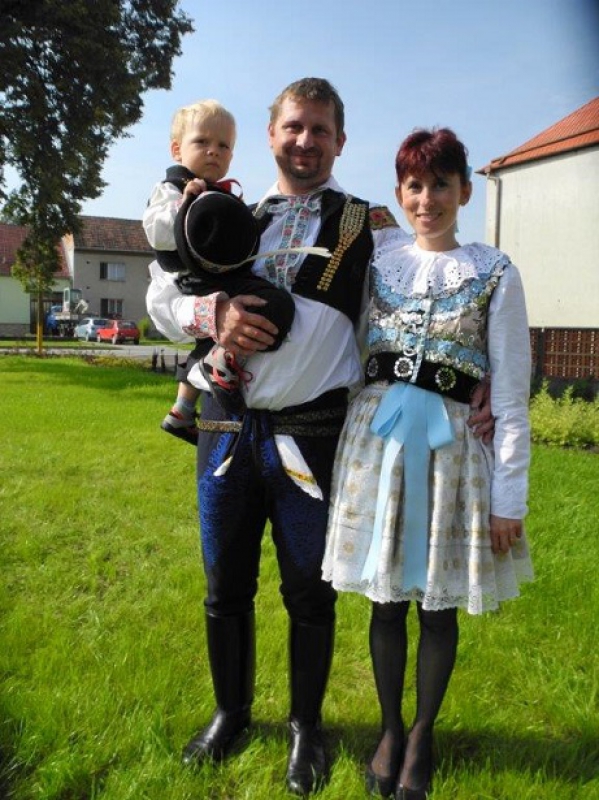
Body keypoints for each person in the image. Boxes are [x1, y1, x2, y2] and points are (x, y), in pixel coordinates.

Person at [146, 82, 494, 796]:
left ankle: (306, 728)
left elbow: (436, 279)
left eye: (320, 130)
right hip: (225, 427)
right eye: (293, 127)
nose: (305, 141)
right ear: (271, 135)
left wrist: (478, 367)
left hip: (312, 432)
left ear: (340, 141)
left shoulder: (370, 226)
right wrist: (211, 314)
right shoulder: (225, 212)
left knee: (309, 589)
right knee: (224, 584)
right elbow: (159, 293)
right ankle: (231, 713)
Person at [322, 127, 534, 799]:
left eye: (441, 184)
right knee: (384, 602)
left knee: (436, 610)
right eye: (414, 185)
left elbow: (509, 393)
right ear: (399, 192)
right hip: (378, 448)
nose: (427, 199)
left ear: (464, 191)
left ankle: (422, 734)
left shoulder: (495, 272)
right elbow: (343, 342)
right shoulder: (378, 260)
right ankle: (389, 727)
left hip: (450, 454)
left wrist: (509, 498)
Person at [142, 99, 296, 440]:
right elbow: (155, 230)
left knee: (209, 338)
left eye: (223, 146)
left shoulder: (229, 197)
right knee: (274, 304)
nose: (213, 151)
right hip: (194, 280)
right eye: (202, 142)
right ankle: (224, 358)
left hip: (215, 279)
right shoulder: (172, 188)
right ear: (176, 149)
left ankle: (182, 409)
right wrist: (186, 205)